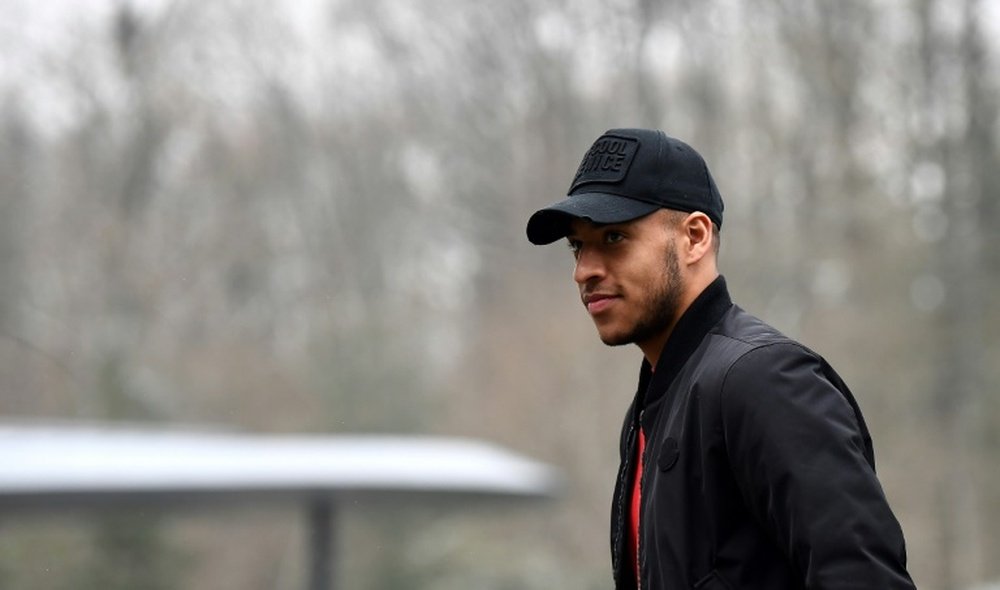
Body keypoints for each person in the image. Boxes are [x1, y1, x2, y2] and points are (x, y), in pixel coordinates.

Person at [525, 128, 915, 590]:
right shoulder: (652, 406)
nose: (583, 270)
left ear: (694, 237)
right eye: (577, 245)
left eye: (614, 237)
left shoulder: (763, 379)